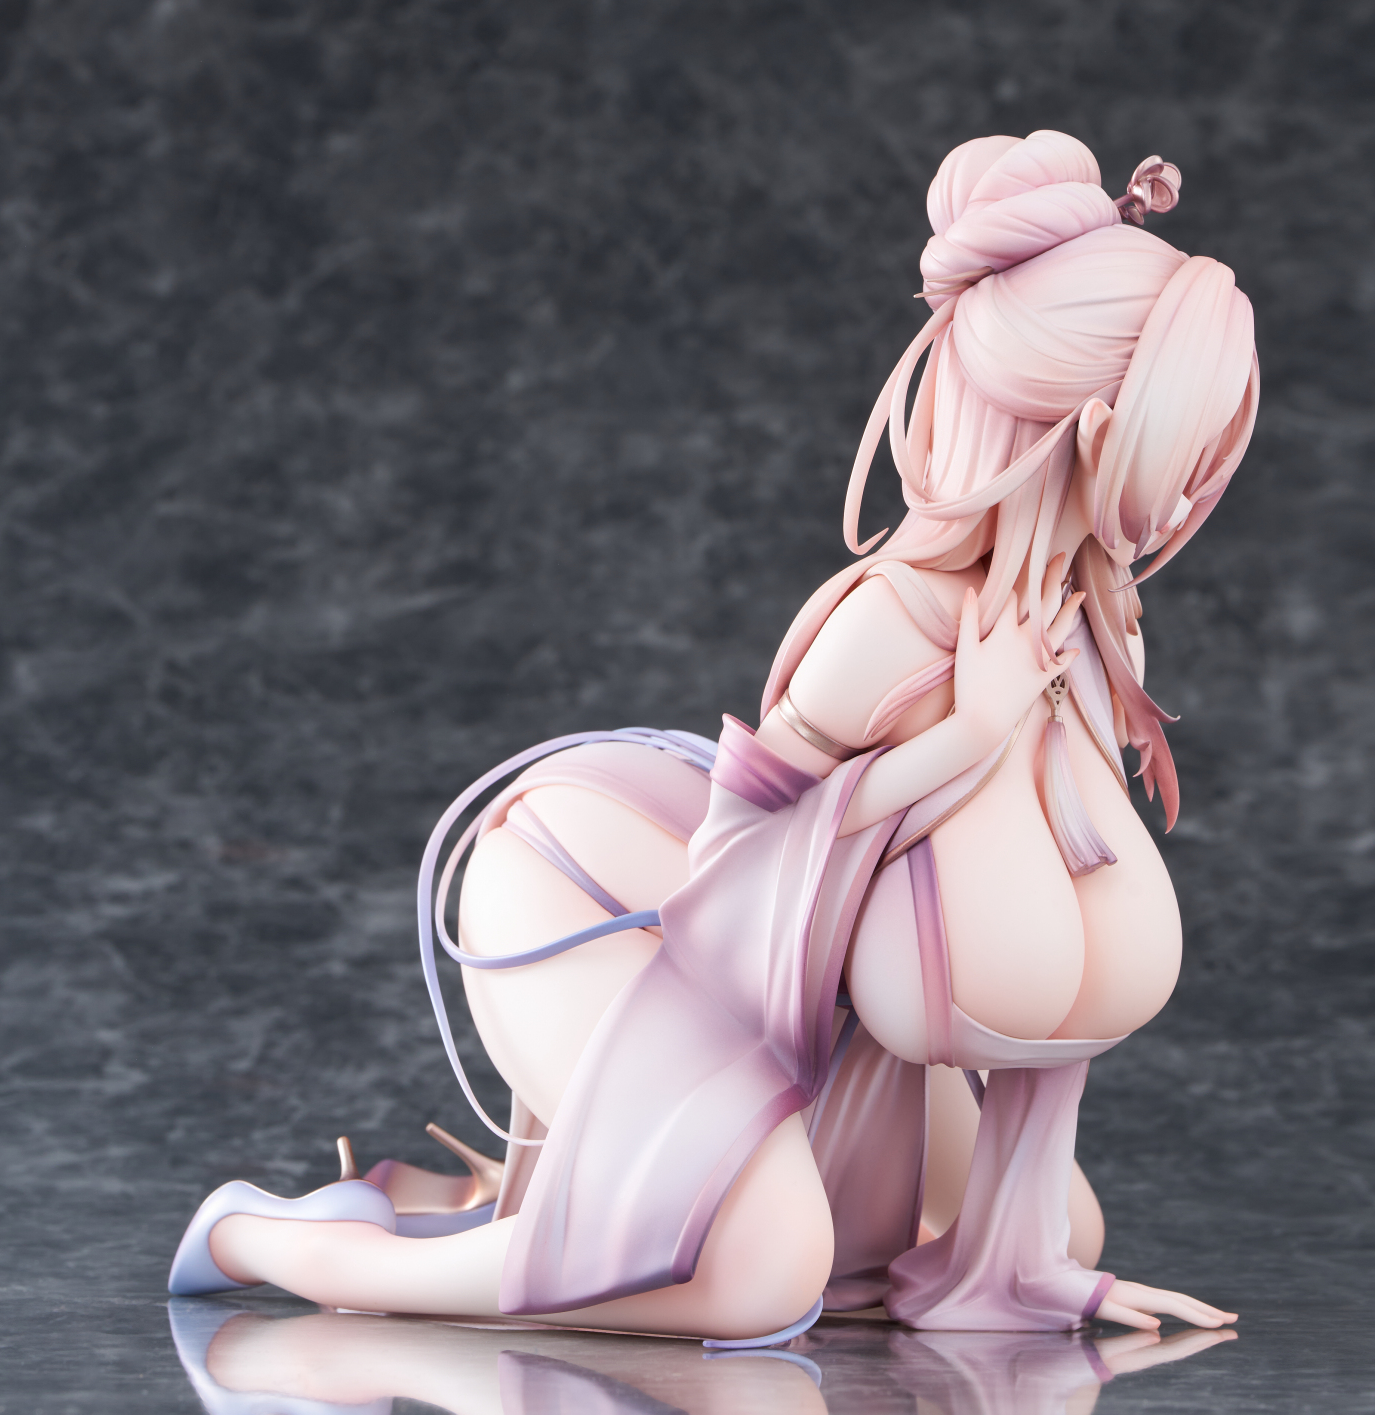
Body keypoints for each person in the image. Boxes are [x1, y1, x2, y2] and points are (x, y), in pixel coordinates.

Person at [169, 130, 1255, 1342]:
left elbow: (1058, 1018)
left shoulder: (1097, 640)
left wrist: (1021, 1262)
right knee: (762, 1270)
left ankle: (520, 1206)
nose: (1194, 492)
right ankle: (276, 1240)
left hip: (807, 1008)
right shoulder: (893, 625)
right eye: (1190, 449)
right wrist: (964, 740)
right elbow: (740, 856)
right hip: (621, 908)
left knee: (1057, 1224)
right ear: (1098, 431)